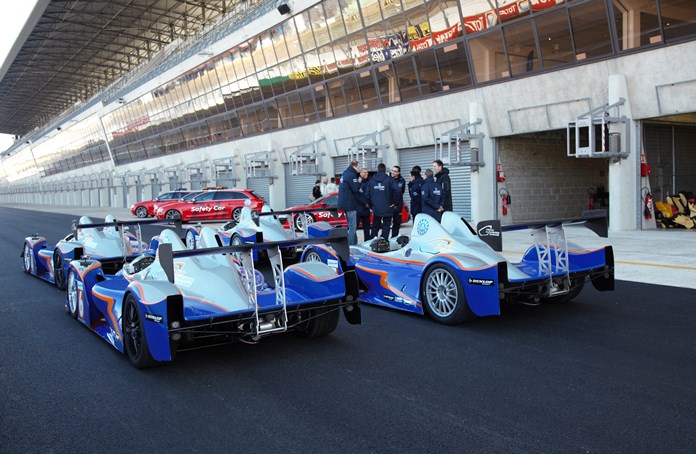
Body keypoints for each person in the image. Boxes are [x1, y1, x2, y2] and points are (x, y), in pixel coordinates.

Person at [366, 163, 396, 240]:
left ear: (377, 169)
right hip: (388, 207)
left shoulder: (371, 181)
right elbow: (398, 190)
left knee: (375, 226)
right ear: (385, 170)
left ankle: (372, 242)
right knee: (386, 226)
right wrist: (394, 202)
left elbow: (367, 195)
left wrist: (371, 205)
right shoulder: (389, 179)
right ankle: (384, 242)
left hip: (376, 208)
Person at [337, 160, 362, 245]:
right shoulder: (352, 174)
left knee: (351, 226)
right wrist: (359, 181)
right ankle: (350, 246)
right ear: (355, 166)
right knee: (352, 227)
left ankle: (354, 243)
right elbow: (355, 189)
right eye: (358, 166)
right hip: (350, 204)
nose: (359, 168)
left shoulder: (345, 173)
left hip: (344, 203)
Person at [390, 165, 406, 238]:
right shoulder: (388, 179)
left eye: (395, 171)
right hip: (389, 204)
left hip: (397, 205)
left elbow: (400, 192)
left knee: (397, 223)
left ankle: (394, 237)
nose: (393, 172)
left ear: (398, 173)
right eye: (392, 170)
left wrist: (395, 203)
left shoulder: (401, 181)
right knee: (386, 223)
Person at [357, 168, 372, 242]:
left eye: (367, 172)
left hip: (366, 209)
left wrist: (369, 204)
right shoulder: (357, 182)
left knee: (367, 228)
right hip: (358, 209)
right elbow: (356, 195)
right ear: (360, 173)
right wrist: (364, 203)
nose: (366, 173)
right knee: (354, 228)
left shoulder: (369, 182)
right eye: (364, 172)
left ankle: (367, 242)